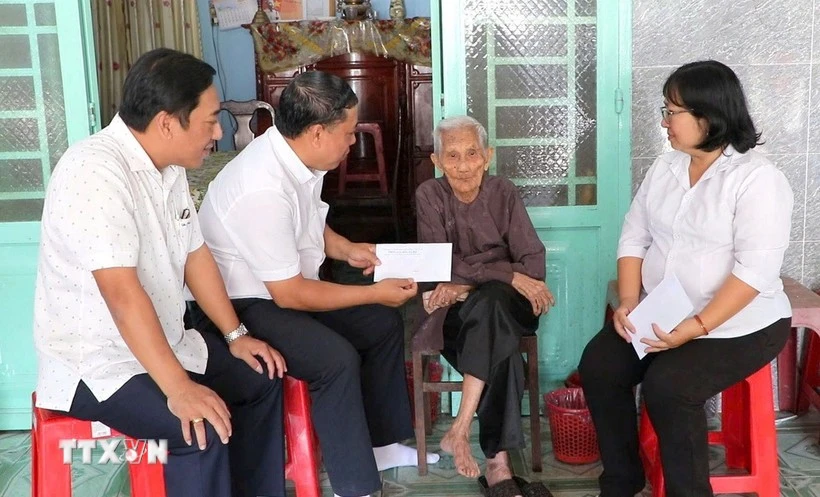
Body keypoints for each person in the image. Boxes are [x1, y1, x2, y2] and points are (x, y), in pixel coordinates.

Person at [33, 48, 287, 497]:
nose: (218, 132)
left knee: (259, 379)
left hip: (165, 344)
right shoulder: (93, 171)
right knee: (199, 429)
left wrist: (235, 334)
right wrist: (179, 389)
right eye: (210, 121)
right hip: (97, 363)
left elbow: (195, 255)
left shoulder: (168, 169)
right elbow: (122, 296)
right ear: (168, 123)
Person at [189, 70, 436, 497]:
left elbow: (307, 224)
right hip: (239, 305)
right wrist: (373, 291)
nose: (352, 141)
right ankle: (354, 485)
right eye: (348, 132)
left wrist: (347, 249)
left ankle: (379, 446)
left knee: (380, 324)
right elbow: (291, 295)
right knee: (334, 358)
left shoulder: (297, 156)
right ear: (318, 132)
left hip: (278, 290)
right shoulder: (262, 187)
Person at [578, 60, 793, 497]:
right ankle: (621, 481)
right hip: (665, 310)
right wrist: (629, 301)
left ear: (708, 116)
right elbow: (634, 235)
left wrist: (694, 328)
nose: (664, 122)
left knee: (669, 387)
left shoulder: (758, 179)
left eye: (672, 112)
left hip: (741, 325)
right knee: (600, 365)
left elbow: (753, 273)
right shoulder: (667, 167)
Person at [415, 115, 555, 495]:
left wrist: (467, 283)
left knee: (492, 304)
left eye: (472, 154)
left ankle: (461, 427)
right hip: (457, 314)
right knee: (501, 344)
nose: (463, 165)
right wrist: (505, 274)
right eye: (452, 156)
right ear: (437, 161)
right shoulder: (430, 196)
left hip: (509, 305)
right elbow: (436, 264)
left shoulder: (503, 192)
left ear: (487, 156)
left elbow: (533, 265)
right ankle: (498, 465)